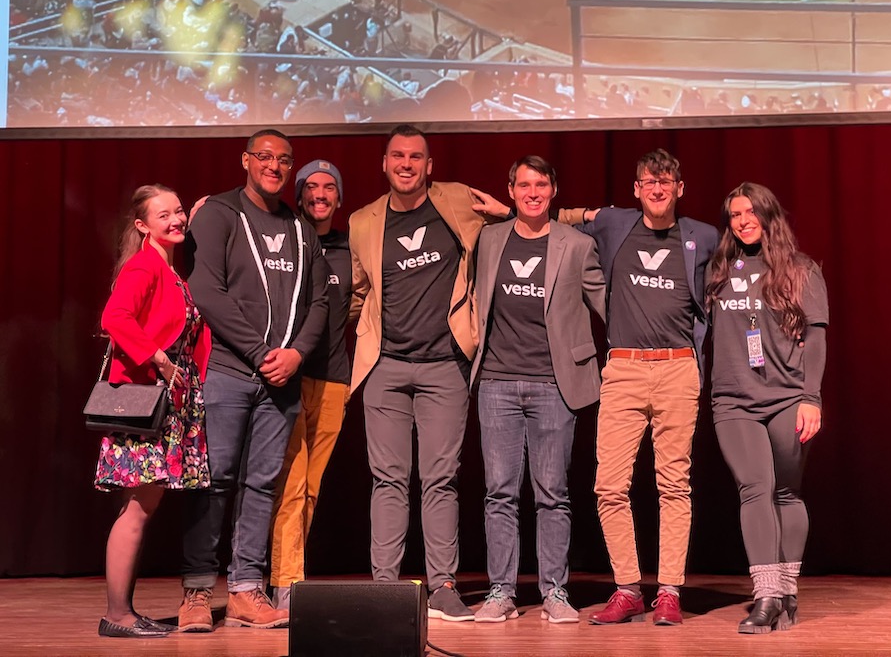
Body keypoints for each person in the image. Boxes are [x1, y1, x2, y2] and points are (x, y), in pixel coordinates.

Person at [348, 125, 589, 621]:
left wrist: (583, 216)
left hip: (446, 365)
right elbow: (356, 290)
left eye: (417, 156)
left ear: (430, 165)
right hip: (386, 366)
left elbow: (526, 212)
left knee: (441, 480)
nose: (407, 164)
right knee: (387, 480)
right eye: (397, 156)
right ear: (384, 163)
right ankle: (385, 588)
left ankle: (442, 586)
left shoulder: (455, 202)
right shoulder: (362, 221)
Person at [179, 129, 329, 631]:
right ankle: (198, 593)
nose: (274, 165)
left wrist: (297, 354)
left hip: (282, 381)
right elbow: (206, 290)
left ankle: (246, 589)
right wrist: (262, 352)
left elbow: (321, 302)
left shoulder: (300, 228)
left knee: (262, 485)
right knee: (214, 482)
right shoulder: (220, 214)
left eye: (284, 159)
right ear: (245, 160)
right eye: (264, 156)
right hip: (228, 373)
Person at [582, 149, 718, 626]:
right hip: (623, 368)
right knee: (609, 485)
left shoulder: (702, 237)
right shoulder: (614, 226)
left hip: (679, 369)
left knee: (672, 484)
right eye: (648, 181)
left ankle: (669, 592)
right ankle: (627, 588)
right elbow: (553, 223)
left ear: (680, 188)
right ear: (636, 189)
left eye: (666, 181)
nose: (657, 189)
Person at [470, 156, 605, 624]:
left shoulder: (578, 245)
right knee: (500, 493)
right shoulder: (488, 240)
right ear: (510, 191)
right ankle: (501, 592)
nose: (532, 192)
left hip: (555, 385)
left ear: (553, 190)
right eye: (524, 185)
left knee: (553, 492)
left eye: (541, 184)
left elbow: (606, 302)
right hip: (497, 384)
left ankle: (554, 592)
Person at [705, 182, 828, 634]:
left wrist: (811, 398)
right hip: (733, 400)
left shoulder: (801, 270)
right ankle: (766, 595)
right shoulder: (717, 269)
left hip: (787, 399)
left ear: (769, 215)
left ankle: (788, 590)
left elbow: (815, 337)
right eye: (735, 214)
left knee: (786, 493)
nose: (743, 220)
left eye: (751, 211)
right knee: (755, 488)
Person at [94, 185, 210, 638]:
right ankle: (117, 615)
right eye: (164, 215)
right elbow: (115, 317)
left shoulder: (168, 269)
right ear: (142, 225)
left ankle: (122, 612)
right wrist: (158, 358)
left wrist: (193, 220)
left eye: (179, 211)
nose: (176, 220)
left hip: (168, 405)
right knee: (138, 508)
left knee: (142, 505)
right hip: (147, 402)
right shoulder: (144, 266)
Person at [269, 160, 352, 610]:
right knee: (290, 485)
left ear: (339, 198)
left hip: (336, 381)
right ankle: (284, 584)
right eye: (311, 187)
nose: (320, 194)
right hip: (289, 381)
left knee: (312, 487)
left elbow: (358, 305)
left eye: (329, 187)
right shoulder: (285, 242)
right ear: (299, 195)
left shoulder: (349, 248)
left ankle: (290, 578)